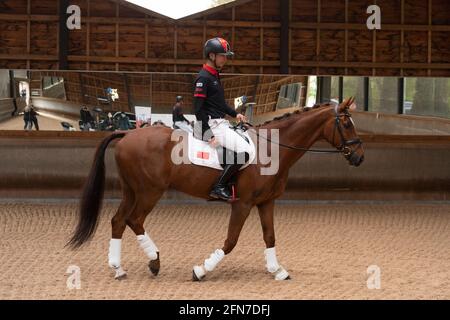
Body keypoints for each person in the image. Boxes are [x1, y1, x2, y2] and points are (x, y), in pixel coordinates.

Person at [193, 37, 251, 201]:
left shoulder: (214, 76)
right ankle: (218, 186)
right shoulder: (203, 78)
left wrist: (235, 114)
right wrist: (207, 133)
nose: (225, 59)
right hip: (213, 124)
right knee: (244, 152)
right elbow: (198, 109)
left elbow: (220, 104)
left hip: (220, 122)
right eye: (222, 56)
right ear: (212, 56)